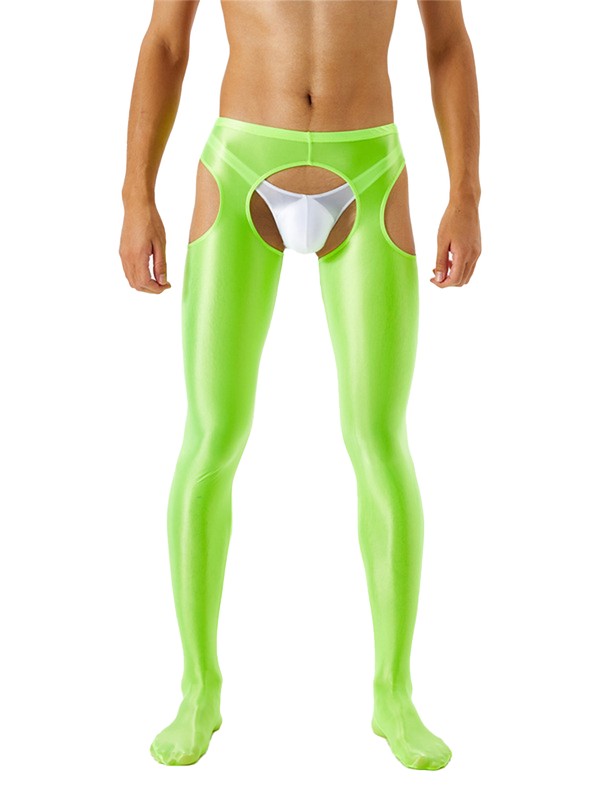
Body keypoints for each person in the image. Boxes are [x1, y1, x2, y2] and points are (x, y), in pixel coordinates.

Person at [119, 0, 481, 771]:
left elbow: (448, 42)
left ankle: (394, 694)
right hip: (241, 165)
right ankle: (198, 689)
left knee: (379, 440)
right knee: (212, 436)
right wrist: (135, 197)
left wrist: (466, 196)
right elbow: (166, 42)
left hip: (369, 170)